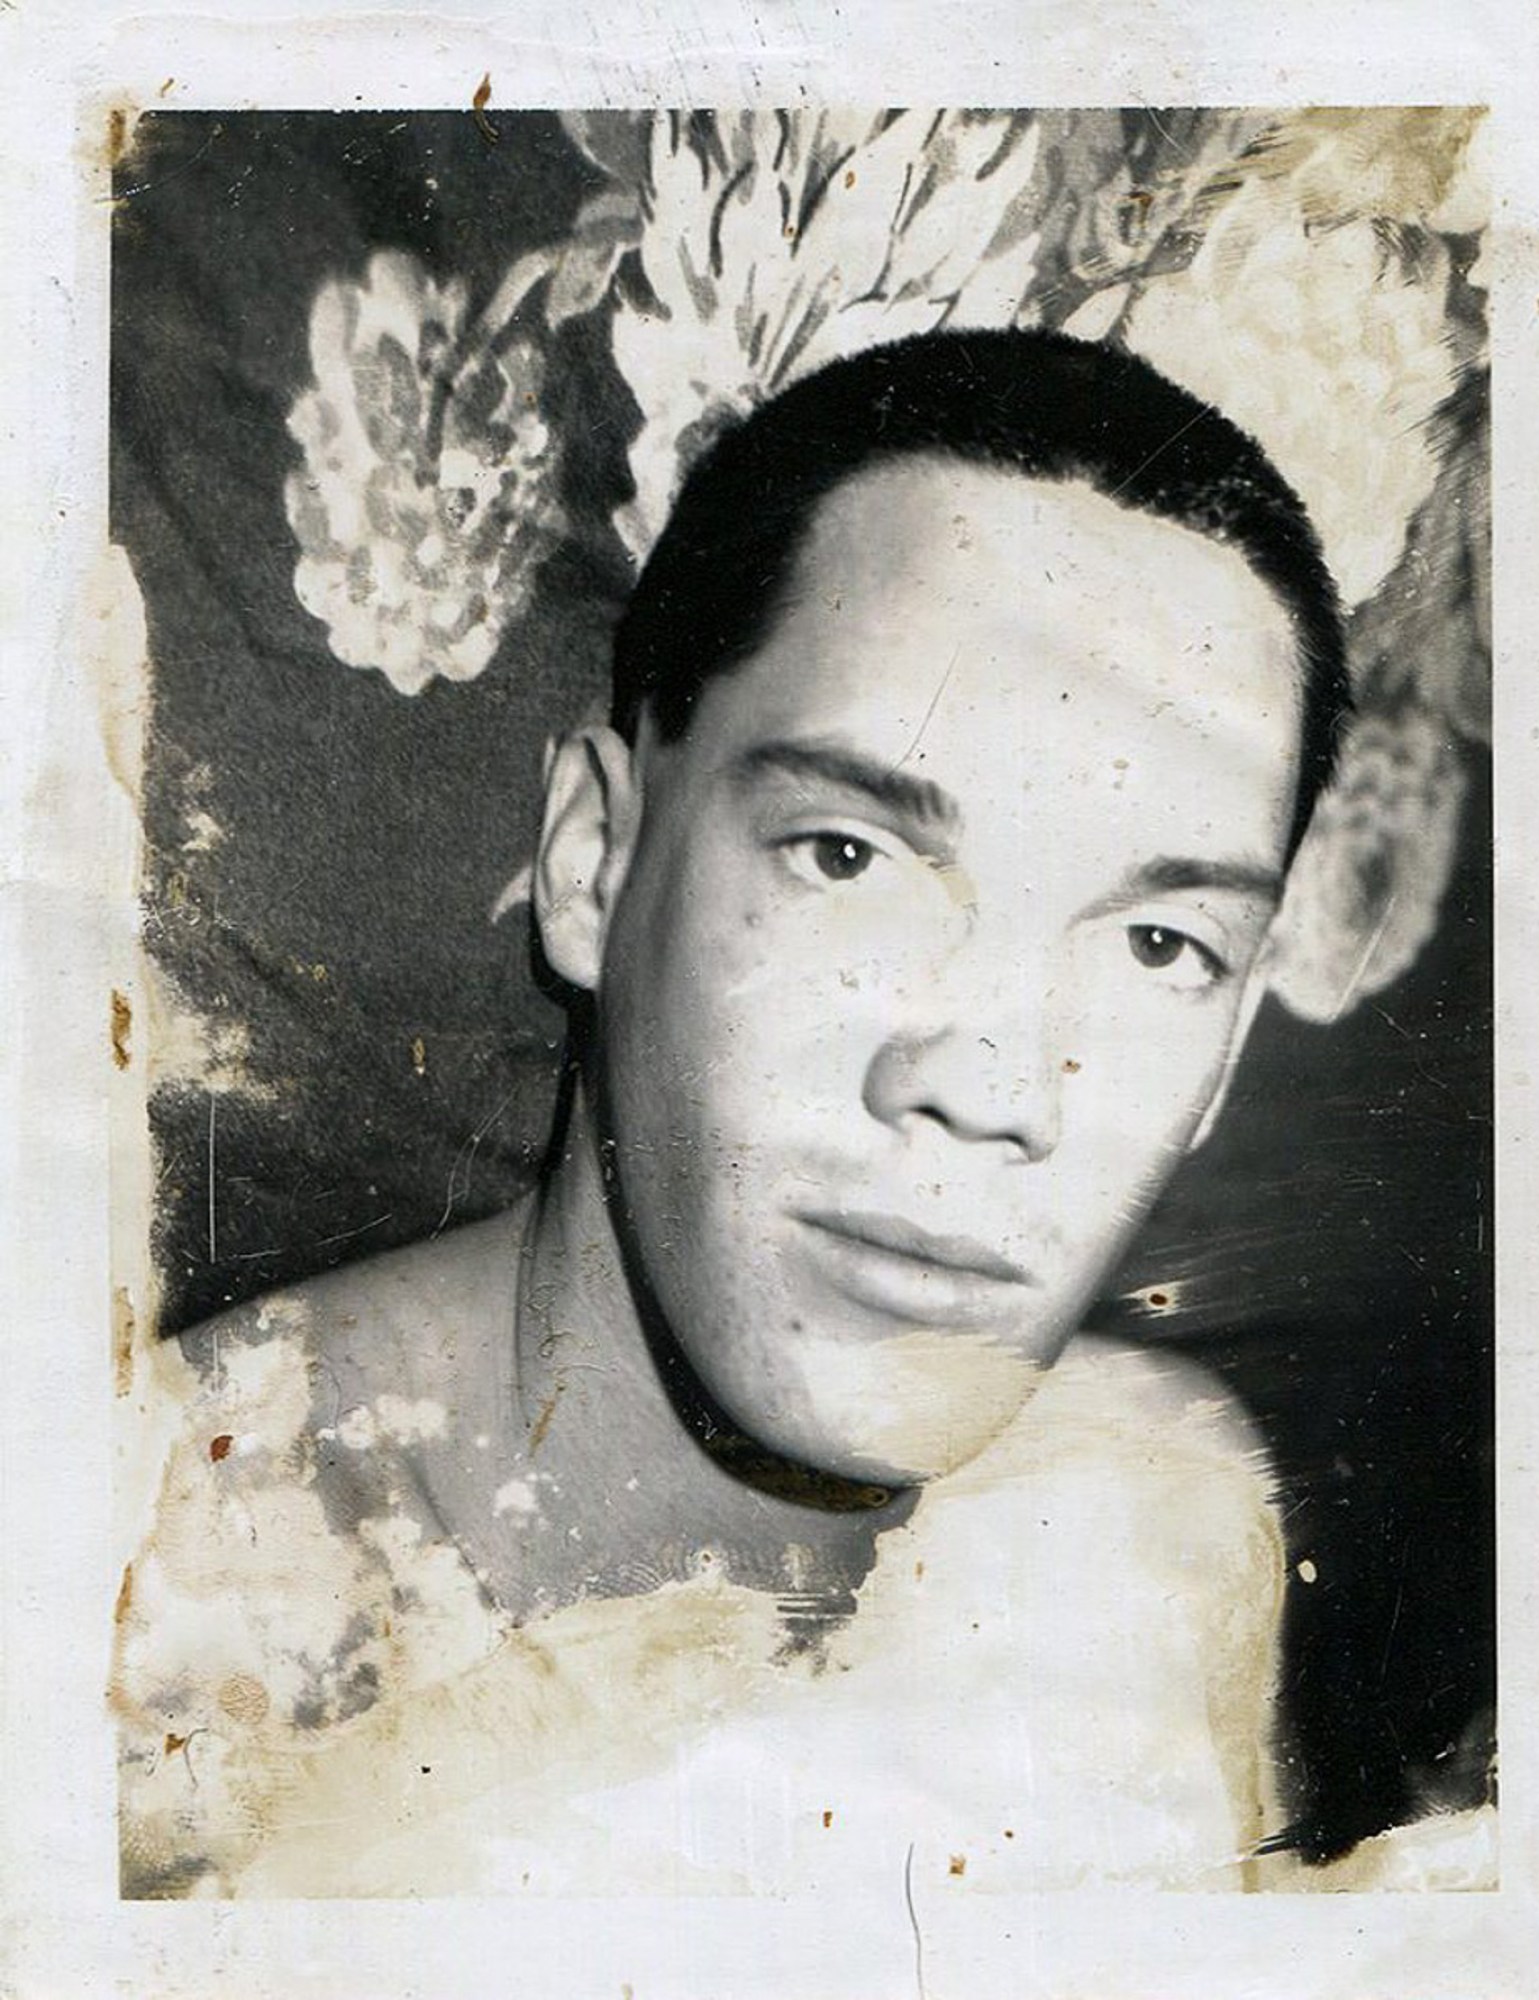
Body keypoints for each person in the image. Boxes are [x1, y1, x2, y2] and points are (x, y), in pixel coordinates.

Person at [115, 327, 1352, 1898]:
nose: (987, 1088)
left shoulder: (1160, 1508)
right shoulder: (141, 1630)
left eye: (1161, 945)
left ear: (1228, 1057)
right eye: (848, 855)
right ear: (590, 863)